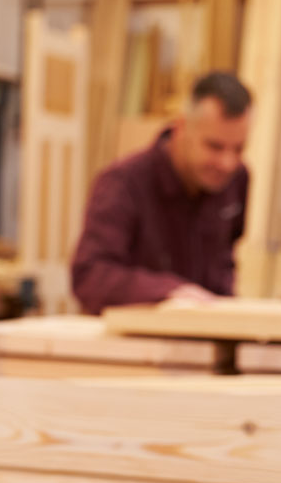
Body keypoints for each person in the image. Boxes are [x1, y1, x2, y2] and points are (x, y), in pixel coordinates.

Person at [71, 72, 252, 314]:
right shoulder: (122, 184)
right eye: (214, 146)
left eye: (238, 149)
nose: (227, 163)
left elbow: (224, 265)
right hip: (132, 346)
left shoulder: (237, 180)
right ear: (181, 128)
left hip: (204, 341)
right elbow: (90, 276)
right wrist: (169, 292)